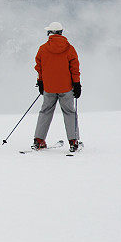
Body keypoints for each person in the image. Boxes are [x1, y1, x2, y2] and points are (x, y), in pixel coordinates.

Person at [32, 22, 82, 152]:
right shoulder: (69, 49)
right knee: (69, 112)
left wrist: (41, 81)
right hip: (66, 87)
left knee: (45, 112)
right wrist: (76, 84)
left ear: (50, 33)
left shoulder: (42, 49)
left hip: (49, 87)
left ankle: (38, 140)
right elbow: (74, 69)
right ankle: (73, 141)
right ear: (61, 32)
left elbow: (39, 68)